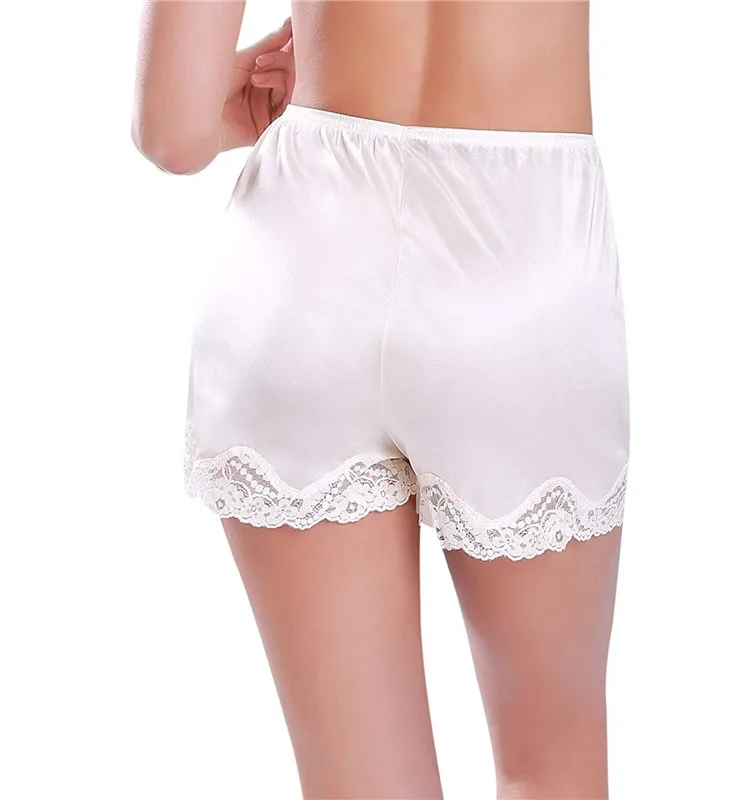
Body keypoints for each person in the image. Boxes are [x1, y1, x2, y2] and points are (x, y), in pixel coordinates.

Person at [132, 2, 629, 797]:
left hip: (300, 261)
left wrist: (232, 108)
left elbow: (172, 132)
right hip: (520, 259)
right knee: (548, 760)